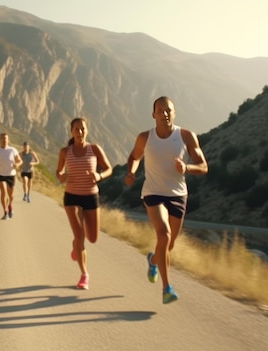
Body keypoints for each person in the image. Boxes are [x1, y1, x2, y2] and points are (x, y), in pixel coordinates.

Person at [124, 96, 208, 304]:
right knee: (164, 235)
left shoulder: (187, 136)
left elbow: (204, 166)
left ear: (174, 113)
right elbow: (134, 157)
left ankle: (153, 260)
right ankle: (167, 288)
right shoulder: (145, 137)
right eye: (160, 111)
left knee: (167, 245)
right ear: (153, 115)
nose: (165, 114)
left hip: (178, 194)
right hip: (153, 192)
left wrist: (187, 168)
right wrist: (132, 172)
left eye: (168, 110)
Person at [56, 117, 112, 290]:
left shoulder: (94, 149)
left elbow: (109, 168)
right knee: (80, 237)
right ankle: (84, 274)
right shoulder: (65, 151)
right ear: (71, 132)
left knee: (93, 238)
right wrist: (61, 176)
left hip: (91, 196)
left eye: (82, 129)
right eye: (76, 129)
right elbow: (59, 171)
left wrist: (99, 176)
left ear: (87, 130)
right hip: (71, 197)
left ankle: (76, 245)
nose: (79, 132)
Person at [0, 133, 22, 219]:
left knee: (11, 195)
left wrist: (17, 165)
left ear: (8, 140)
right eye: (2, 139)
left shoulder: (13, 150)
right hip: (0, 174)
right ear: (0, 140)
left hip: (11, 174)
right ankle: (5, 211)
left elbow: (20, 161)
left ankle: (10, 205)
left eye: (6, 138)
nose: (4, 140)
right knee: (4, 192)